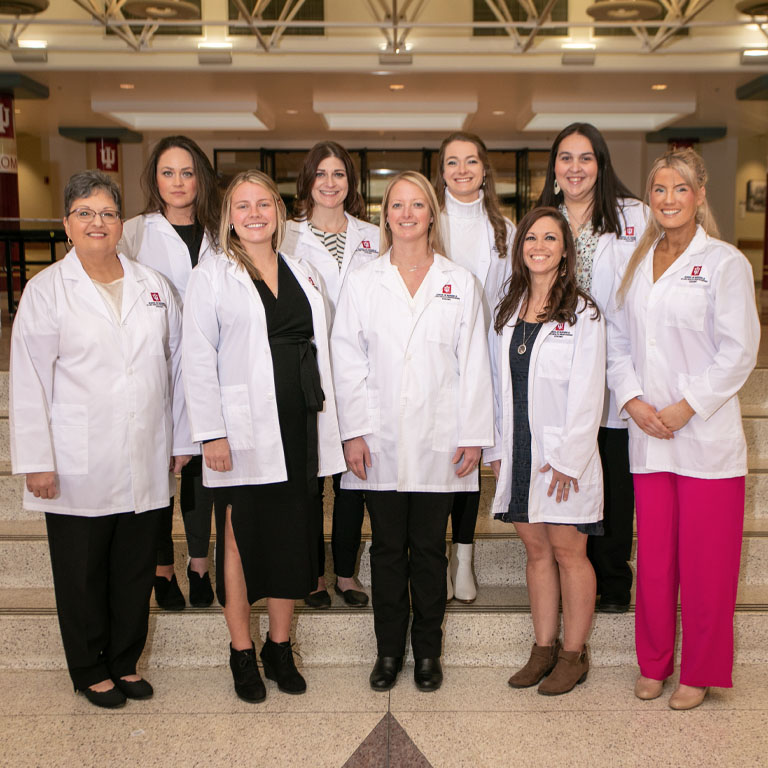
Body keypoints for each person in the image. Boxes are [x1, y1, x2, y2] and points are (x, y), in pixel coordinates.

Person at [9, 170, 193, 708]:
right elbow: (28, 380)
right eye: (85, 213)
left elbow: (178, 366)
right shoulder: (47, 291)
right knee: (83, 570)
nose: (98, 222)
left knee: (135, 565)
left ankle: (125, 660)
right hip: (75, 458)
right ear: (67, 224)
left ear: (121, 224)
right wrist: (38, 462)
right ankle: (89, 666)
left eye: (108, 213)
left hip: (144, 450)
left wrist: (181, 437)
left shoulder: (153, 286)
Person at [182, 170, 345, 702]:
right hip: (241, 430)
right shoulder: (212, 275)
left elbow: (321, 349)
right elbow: (197, 358)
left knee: (290, 539)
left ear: (278, 211)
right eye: (242, 205)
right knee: (238, 541)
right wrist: (210, 434)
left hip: (297, 425)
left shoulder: (302, 270)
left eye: (263, 204)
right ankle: (241, 653)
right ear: (228, 215)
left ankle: (278, 646)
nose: (254, 214)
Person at [608, 148, 759, 710]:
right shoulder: (636, 261)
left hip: (704, 440)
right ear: (650, 199)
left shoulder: (723, 263)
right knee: (653, 563)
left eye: (680, 189)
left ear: (698, 196)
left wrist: (686, 406)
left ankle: (698, 670)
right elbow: (619, 344)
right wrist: (632, 398)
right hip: (649, 436)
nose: (669, 199)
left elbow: (740, 351)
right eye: (659, 190)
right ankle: (653, 664)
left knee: (706, 565)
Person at [332, 171, 493, 693]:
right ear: (386, 216)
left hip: (439, 440)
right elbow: (346, 362)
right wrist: (353, 432)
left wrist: (473, 433)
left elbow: (473, 363)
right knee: (384, 550)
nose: (406, 214)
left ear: (431, 215)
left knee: (428, 551)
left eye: (417, 205)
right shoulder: (362, 280)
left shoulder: (458, 282)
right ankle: (386, 653)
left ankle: (427, 653)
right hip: (378, 441)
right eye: (397, 205)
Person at [487, 206, 605, 696]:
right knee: (536, 551)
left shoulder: (583, 312)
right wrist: (496, 447)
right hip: (518, 452)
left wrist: (568, 456)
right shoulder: (505, 308)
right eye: (531, 237)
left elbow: (588, 390)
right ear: (521, 248)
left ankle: (573, 655)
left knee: (568, 551)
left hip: (561, 458)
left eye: (550, 239)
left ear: (565, 250)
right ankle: (543, 648)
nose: (538, 245)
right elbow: (495, 387)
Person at [538, 122, 647, 614]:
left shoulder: (632, 217)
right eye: (566, 158)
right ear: (554, 168)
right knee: (570, 468)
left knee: (614, 477)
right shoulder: (544, 219)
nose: (575, 167)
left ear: (600, 165)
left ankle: (613, 577)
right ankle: (570, 570)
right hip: (559, 369)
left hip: (617, 365)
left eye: (585, 158)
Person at [120, 135, 220, 611]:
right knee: (160, 469)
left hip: (209, 369)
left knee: (201, 472)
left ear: (200, 178)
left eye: (187, 173)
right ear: (154, 179)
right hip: (154, 371)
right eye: (167, 173)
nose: (178, 183)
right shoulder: (134, 232)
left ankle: (199, 564)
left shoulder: (223, 232)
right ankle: (162, 565)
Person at [281, 141, 379, 608]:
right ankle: (311, 574)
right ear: (308, 181)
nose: (330, 182)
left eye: (339, 174)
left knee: (351, 480)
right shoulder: (284, 235)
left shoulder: (374, 236)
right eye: (321, 173)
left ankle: (345, 572)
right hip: (306, 368)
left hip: (359, 369)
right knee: (308, 479)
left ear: (350, 183)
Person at [435, 131, 514, 604]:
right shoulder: (430, 222)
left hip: (485, 357)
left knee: (470, 461)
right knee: (438, 457)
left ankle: (462, 555)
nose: (462, 170)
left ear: (485, 168)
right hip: (436, 359)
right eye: (452, 163)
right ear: (441, 172)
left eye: (470, 161)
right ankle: (434, 552)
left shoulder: (504, 227)